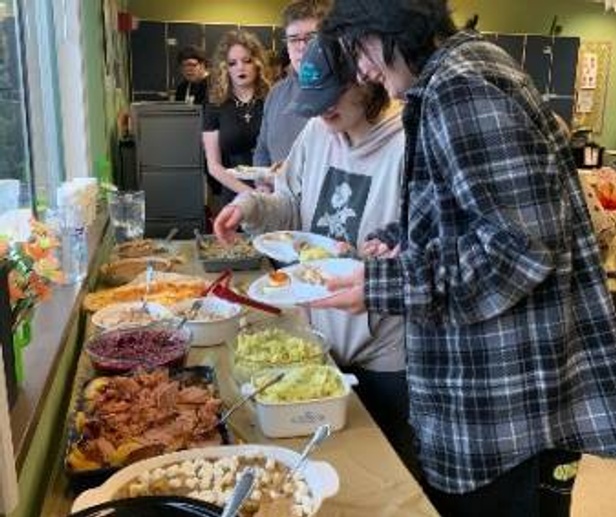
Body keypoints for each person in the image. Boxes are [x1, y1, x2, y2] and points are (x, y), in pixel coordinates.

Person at [316, 1, 616, 516]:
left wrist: (386, 283)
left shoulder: (461, 86)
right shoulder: (461, 72)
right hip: (495, 403)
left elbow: (519, 249)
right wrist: (404, 237)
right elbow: (479, 211)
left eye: (361, 48)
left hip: (504, 413)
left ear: (391, 27)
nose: (362, 69)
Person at [214, 37, 419, 474]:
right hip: (316, 339)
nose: (323, 113)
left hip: (385, 352)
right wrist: (249, 207)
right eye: (314, 102)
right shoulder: (316, 132)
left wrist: (382, 252)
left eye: (333, 98)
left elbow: (421, 245)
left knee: (383, 473)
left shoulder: (409, 141)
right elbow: (288, 206)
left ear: (367, 79)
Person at [252, 0, 330, 167]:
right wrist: (262, 182)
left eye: (311, 37)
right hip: (276, 192)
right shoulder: (275, 93)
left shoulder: (345, 96)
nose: (302, 46)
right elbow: (262, 149)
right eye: (294, 39)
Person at [202, 30, 271, 208]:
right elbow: (214, 166)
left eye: (246, 61)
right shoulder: (215, 105)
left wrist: (269, 187)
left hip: (273, 192)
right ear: (225, 68)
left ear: (257, 64)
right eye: (232, 63)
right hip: (235, 195)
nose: (240, 67)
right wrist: (250, 193)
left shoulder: (273, 98)